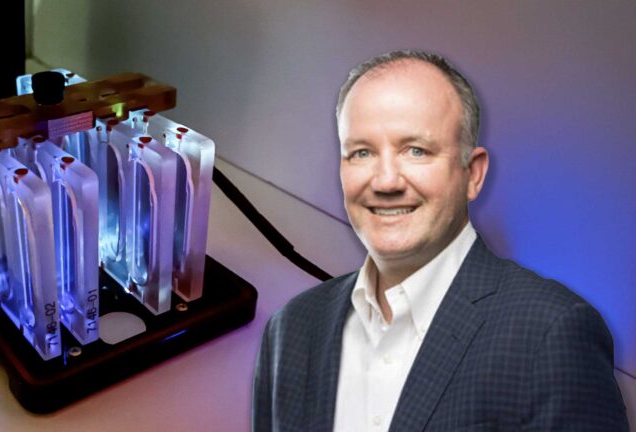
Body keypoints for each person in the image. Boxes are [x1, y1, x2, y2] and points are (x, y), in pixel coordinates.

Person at [252, 50, 628, 431]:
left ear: (473, 175)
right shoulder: (291, 329)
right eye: (361, 153)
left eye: (416, 151)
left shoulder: (551, 332)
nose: (385, 182)